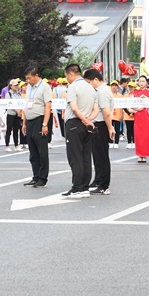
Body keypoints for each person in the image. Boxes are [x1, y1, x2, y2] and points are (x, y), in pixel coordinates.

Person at [62, 63, 97, 198]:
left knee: (75, 156)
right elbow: (96, 109)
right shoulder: (91, 88)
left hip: (75, 123)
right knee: (85, 157)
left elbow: (74, 108)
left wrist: (83, 119)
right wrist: (88, 120)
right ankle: (84, 187)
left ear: (71, 74)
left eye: (67, 76)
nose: (67, 79)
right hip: (88, 123)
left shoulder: (73, 87)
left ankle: (77, 187)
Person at [21, 66, 52, 189]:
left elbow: (48, 106)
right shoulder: (29, 87)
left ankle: (42, 178)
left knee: (42, 151)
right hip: (30, 121)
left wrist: (45, 124)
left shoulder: (44, 87)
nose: (28, 81)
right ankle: (35, 176)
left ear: (36, 76)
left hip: (40, 120)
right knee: (33, 152)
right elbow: (26, 105)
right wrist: (24, 122)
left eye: (29, 78)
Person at [85, 68, 114, 195]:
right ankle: (99, 180)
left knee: (102, 156)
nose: (89, 85)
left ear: (96, 79)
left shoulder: (102, 92)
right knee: (97, 155)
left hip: (101, 125)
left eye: (90, 82)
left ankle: (104, 185)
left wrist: (110, 128)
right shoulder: (101, 90)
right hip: (99, 124)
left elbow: (106, 113)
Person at [132, 76, 149, 163]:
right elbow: (130, 104)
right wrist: (137, 108)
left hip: (146, 117)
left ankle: (144, 155)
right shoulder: (135, 93)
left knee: (146, 135)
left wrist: (146, 99)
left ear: (146, 83)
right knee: (138, 135)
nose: (141, 83)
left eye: (143, 81)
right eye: (140, 81)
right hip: (138, 116)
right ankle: (139, 154)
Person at [4, 79, 23, 151]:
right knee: (9, 129)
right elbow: (9, 104)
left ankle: (16, 145)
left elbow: (21, 103)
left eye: (17, 85)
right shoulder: (8, 94)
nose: (16, 86)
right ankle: (7, 146)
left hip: (18, 114)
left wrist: (20, 111)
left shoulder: (18, 94)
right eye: (15, 85)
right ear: (11, 86)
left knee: (16, 130)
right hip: (11, 113)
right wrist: (16, 110)